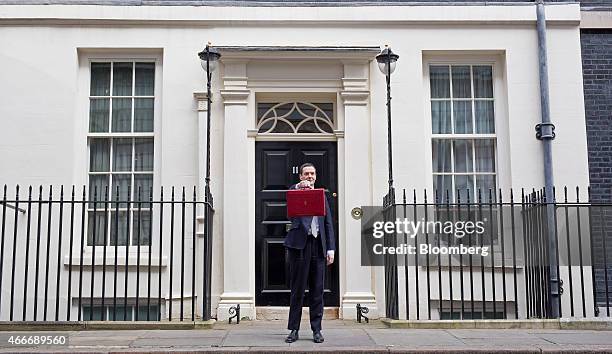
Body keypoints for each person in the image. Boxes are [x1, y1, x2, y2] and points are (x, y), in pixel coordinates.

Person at [284, 163, 335, 344]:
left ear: (316, 176)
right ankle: (294, 329)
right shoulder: (295, 191)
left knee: (317, 291)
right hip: (299, 246)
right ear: (301, 176)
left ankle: (317, 329)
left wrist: (331, 249)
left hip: (318, 246)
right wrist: (299, 187)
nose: (310, 176)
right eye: (306, 174)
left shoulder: (322, 195)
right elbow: (289, 195)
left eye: (312, 173)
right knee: (297, 290)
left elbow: (328, 223)